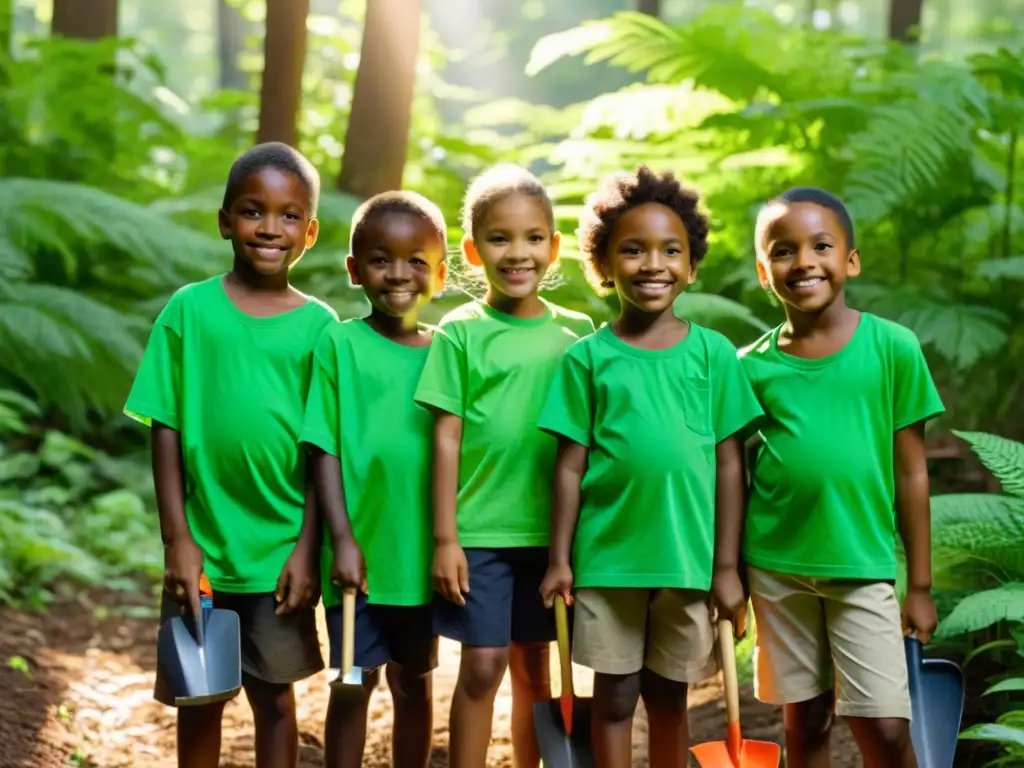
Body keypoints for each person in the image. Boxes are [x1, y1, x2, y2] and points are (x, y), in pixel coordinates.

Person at [538, 165, 765, 768]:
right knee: (613, 699)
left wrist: (726, 567)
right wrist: (560, 560)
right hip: (607, 562)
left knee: (670, 701)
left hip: (688, 564)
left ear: (692, 266)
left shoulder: (715, 354)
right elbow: (567, 467)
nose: (653, 264)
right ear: (605, 265)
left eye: (671, 251)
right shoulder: (586, 359)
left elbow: (729, 465)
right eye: (633, 250)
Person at [123, 142, 337, 768]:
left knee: (275, 701)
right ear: (224, 221)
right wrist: (177, 540)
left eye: (288, 215)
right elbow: (163, 426)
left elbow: (325, 449)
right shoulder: (189, 311)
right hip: (205, 552)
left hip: (281, 558)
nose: (270, 228)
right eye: (252, 211)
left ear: (311, 231)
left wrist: (308, 548)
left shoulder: (321, 328)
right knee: (201, 696)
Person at [739, 186, 944, 768]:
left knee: (882, 725)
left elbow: (911, 472)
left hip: (860, 564)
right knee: (805, 721)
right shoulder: (748, 367)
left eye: (821, 246)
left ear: (849, 260)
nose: (803, 260)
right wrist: (724, 570)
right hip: (776, 569)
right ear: (763, 271)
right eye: (783, 250)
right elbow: (729, 472)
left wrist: (921, 586)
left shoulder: (893, 348)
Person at [413, 163, 595, 768]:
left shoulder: (578, 334)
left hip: (552, 539)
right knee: (483, 664)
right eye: (499, 238)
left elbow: (588, 444)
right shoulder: (459, 333)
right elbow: (444, 439)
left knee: (534, 669)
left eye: (533, 238)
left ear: (554, 246)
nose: (518, 253)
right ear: (471, 249)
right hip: (480, 532)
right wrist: (446, 539)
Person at [299, 190, 449, 768]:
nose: (399, 274)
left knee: (414, 683)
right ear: (354, 270)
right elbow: (325, 449)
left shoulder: (447, 350)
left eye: (417, 260)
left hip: (419, 562)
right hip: (356, 560)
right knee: (350, 685)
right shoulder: (340, 343)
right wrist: (342, 540)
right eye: (382, 259)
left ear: (440, 271)